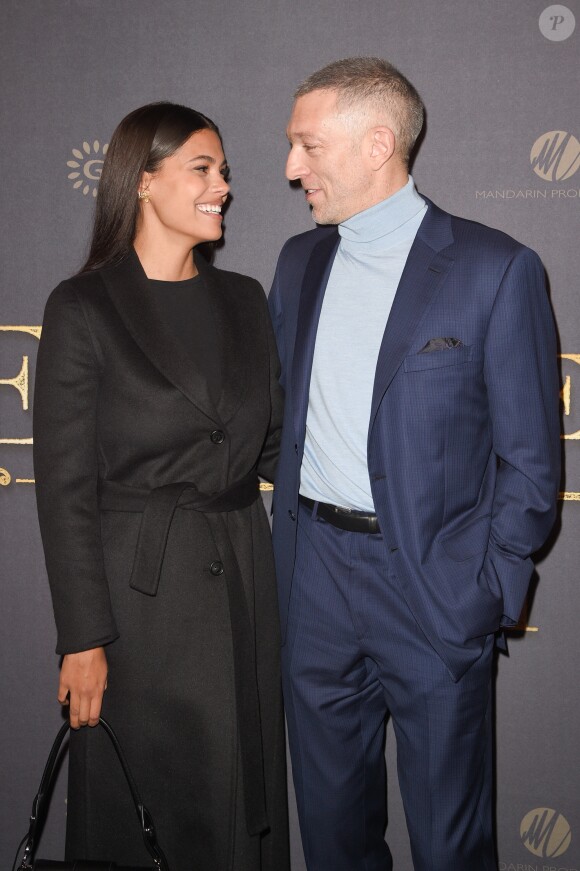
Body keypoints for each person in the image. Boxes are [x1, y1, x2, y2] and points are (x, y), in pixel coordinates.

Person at [268, 58, 560, 871]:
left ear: (377, 143)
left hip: (434, 589)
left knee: (450, 845)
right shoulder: (298, 264)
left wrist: (488, 586)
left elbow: (532, 466)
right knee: (330, 836)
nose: (291, 169)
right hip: (315, 585)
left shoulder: (495, 268)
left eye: (307, 146)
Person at [33, 102, 289, 871]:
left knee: (239, 801)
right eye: (202, 170)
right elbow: (65, 489)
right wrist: (83, 638)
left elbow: (273, 443)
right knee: (147, 804)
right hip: (137, 608)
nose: (225, 188)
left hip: (241, 579)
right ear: (143, 182)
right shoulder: (83, 306)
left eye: (225, 172)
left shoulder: (244, 298)